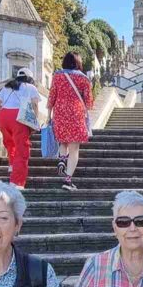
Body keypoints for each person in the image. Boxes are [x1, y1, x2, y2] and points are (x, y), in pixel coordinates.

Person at [49, 52, 94, 191]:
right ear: (78, 63)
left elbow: (51, 97)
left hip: (60, 113)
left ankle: (62, 159)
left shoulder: (57, 76)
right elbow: (89, 102)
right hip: (76, 114)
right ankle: (68, 180)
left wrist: (48, 116)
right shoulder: (84, 79)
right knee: (74, 149)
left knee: (63, 142)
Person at [0, 68, 41, 189]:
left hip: (4, 116)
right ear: (30, 78)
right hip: (19, 117)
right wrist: (35, 120)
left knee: (10, 143)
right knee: (22, 149)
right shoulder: (31, 87)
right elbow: (35, 104)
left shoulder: (7, 87)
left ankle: (12, 165)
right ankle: (16, 182)